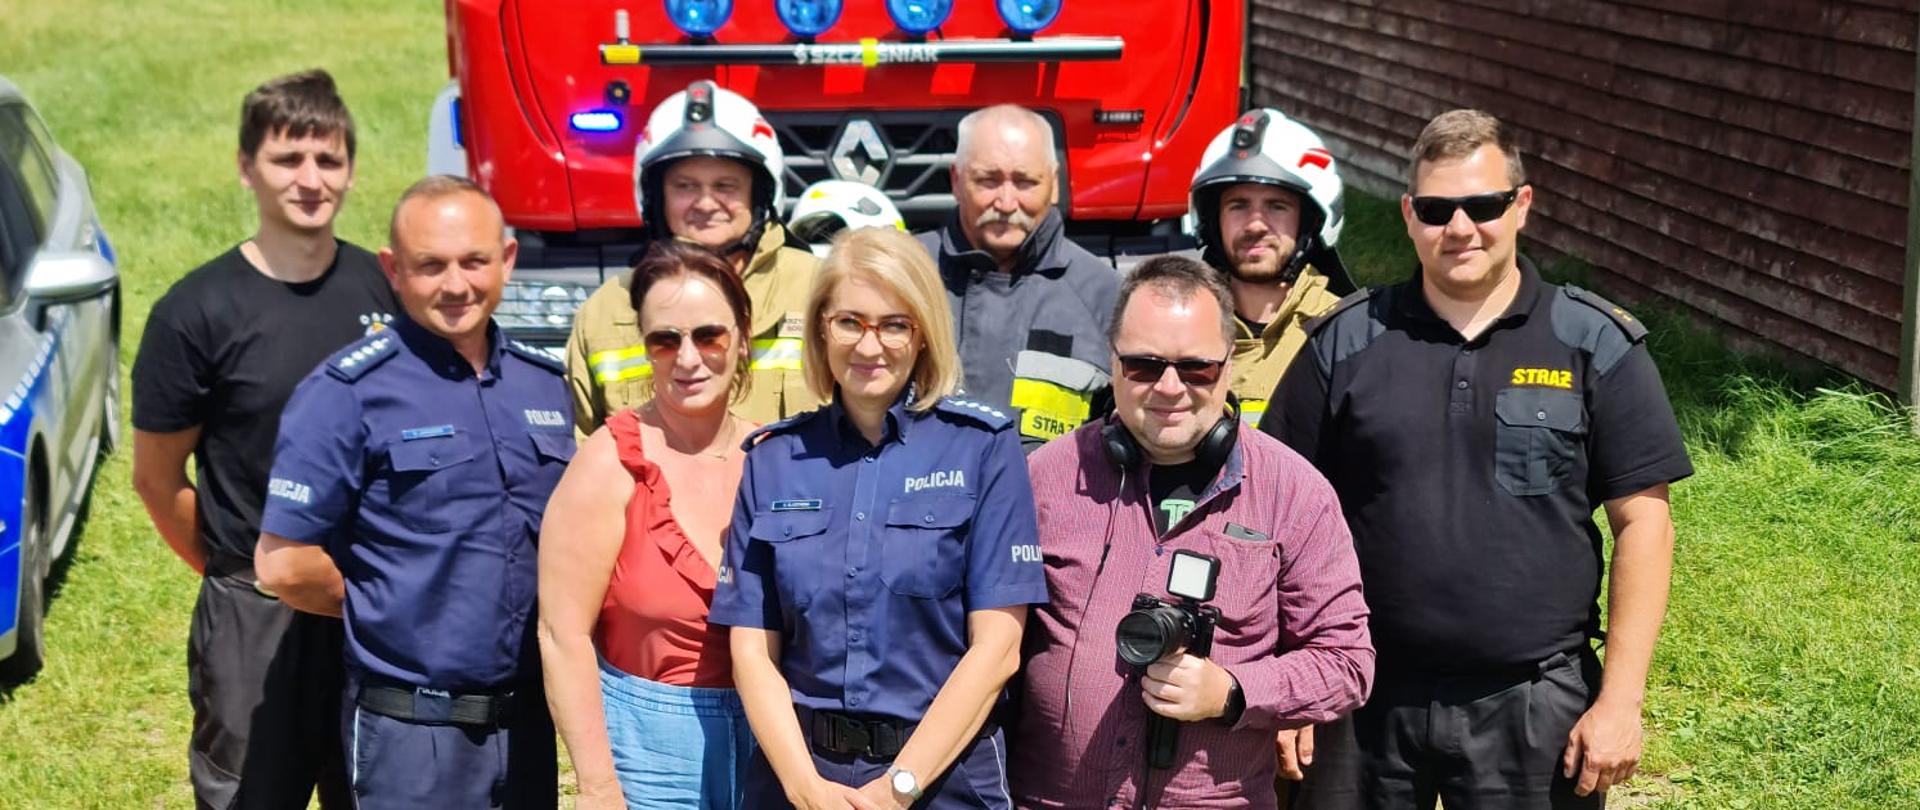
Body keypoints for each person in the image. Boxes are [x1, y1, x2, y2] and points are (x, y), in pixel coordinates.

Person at [1265, 109, 1692, 809]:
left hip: (1533, 703)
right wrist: (1289, 682)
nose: (1459, 228)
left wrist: (1621, 701)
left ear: (1521, 206)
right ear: (1408, 216)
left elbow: (1645, 524)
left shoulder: (1593, 345)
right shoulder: (1343, 344)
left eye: (1482, 205)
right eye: (1436, 210)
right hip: (1359, 695)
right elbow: (1274, 519)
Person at [1009, 255, 1373, 810]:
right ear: (1113, 363)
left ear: (1229, 365)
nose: (1170, 387)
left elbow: (1347, 662)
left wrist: (1232, 692)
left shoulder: (1295, 492)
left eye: (1196, 368)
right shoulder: (1045, 479)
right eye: (1144, 366)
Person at [254, 176, 570, 809]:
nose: (456, 285)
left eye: (474, 261)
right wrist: (388, 607)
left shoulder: (546, 387)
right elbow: (283, 564)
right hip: (414, 734)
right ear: (394, 270)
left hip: (529, 722)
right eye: (431, 266)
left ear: (506, 260)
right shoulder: (347, 393)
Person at [709, 226, 1048, 809]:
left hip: (942, 782)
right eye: (850, 322)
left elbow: (997, 649)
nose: (870, 347)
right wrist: (804, 788)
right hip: (801, 780)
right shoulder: (774, 461)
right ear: (821, 327)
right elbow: (753, 651)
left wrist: (898, 789)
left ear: (923, 336)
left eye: (895, 324)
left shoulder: (983, 449)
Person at [129, 68, 394, 810]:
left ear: (350, 169)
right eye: (288, 159)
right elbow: (158, 478)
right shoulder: (196, 312)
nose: (311, 180)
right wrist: (235, 570)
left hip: (370, 601)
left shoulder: (388, 291)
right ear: (246, 168)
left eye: (329, 160)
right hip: (252, 610)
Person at [537, 240, 760, 809]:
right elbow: (562, 636)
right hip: (650, 759)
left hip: (770, 749)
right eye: (666, 340)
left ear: (742, 336)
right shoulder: (609, 465)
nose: (688, 358)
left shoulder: (772, 457)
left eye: (708, 335)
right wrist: (597, 786)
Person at [566, 80, 821, 438]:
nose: (704, 203)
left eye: (725, 186)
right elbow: (580, 451)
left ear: (761, 194)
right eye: (685, 186)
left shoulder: (819, 291)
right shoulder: (607, 312)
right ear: (656, 198)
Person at [916, 104, 1119, 450]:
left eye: (1025, 182)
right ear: (956, 180)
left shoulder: (1107, 295)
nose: (1007, 202)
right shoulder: (905, 274)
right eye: (988, 180)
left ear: (1054, 185)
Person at [1188, 108, 1350, 431]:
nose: (1256, 224)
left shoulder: (1345, 334)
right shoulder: (1182, 326)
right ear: (1211, 220)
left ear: (1310, 221)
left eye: (1277, 206)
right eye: (1238, 205)